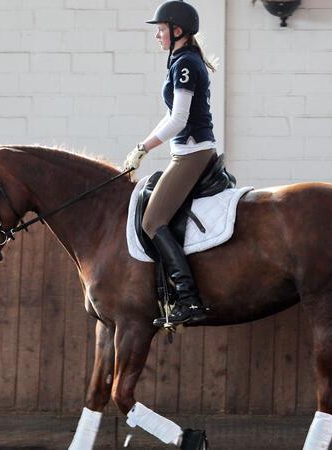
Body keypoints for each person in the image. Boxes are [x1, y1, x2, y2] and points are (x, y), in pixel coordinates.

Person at [123, 0, 218, 327]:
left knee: (151, 221)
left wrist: (143, 148)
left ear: (177, 31)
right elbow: (171, 115)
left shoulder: (186, 63)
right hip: (187, 151)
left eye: (161, 30)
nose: (157, 36)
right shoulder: (181, 60)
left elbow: (178, 119)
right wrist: (142, 145)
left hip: (193, 152)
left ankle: (189, 298)